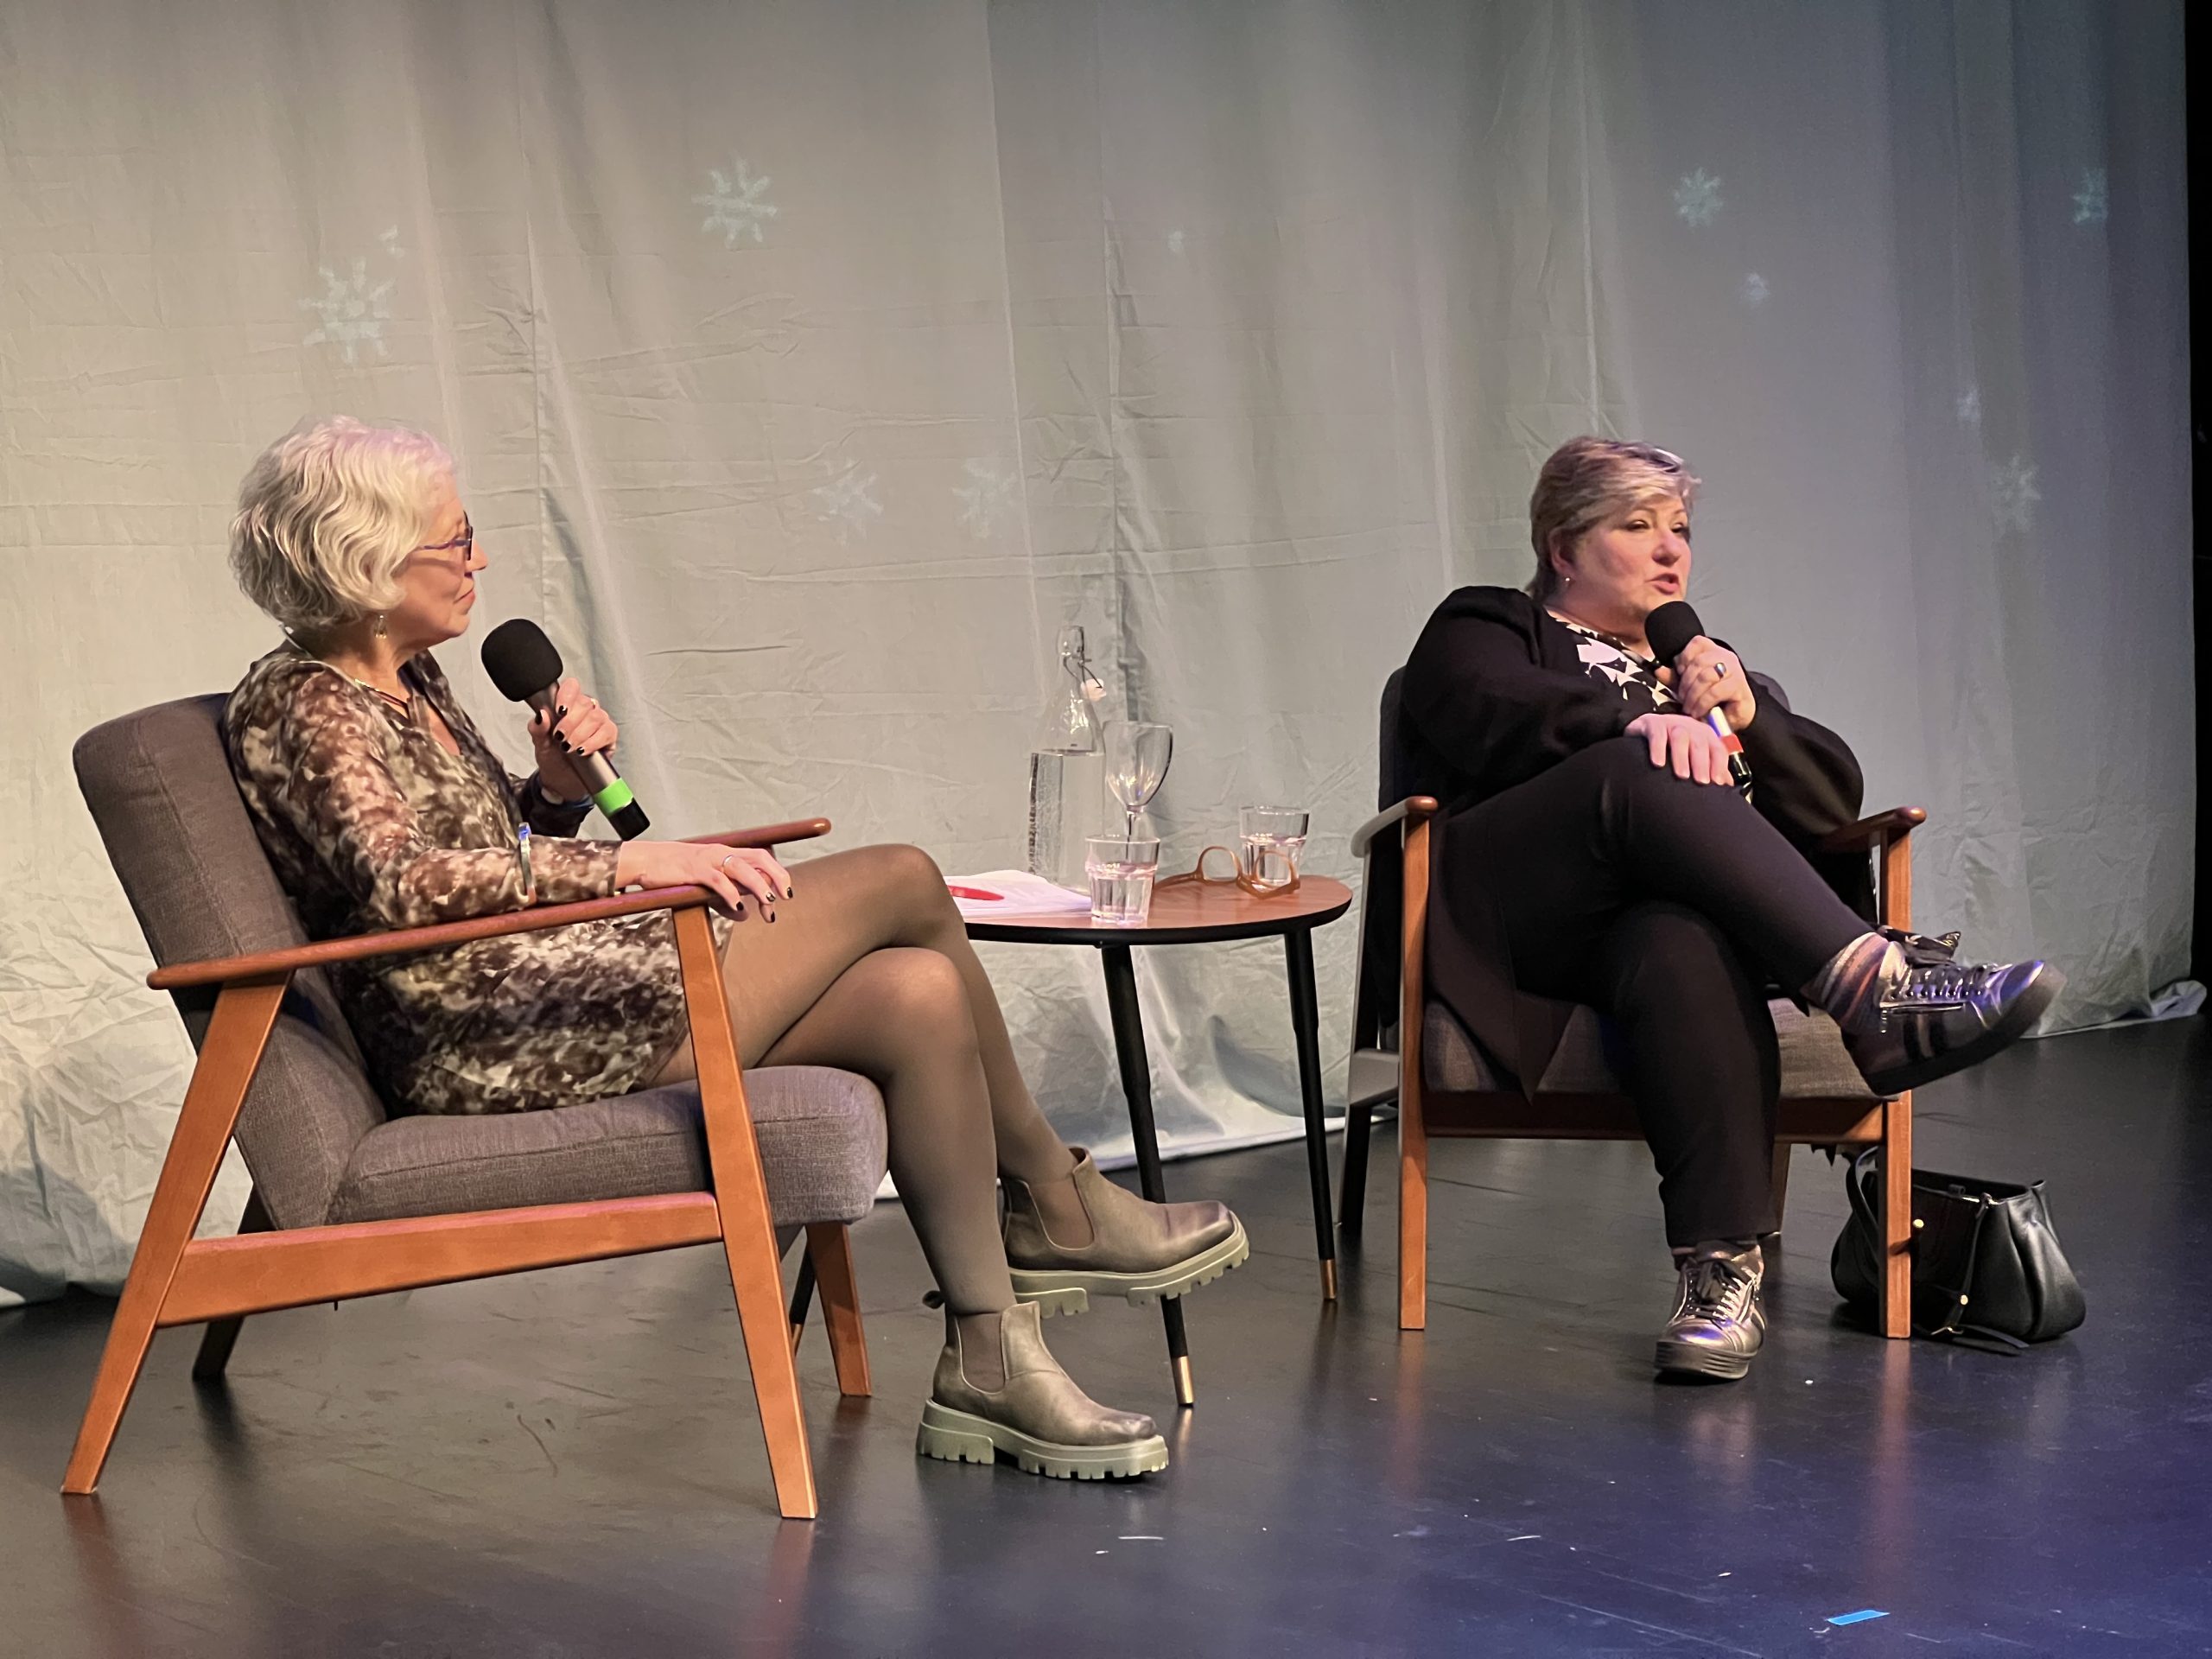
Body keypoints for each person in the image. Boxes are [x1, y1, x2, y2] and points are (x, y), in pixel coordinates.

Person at [220, 416, 1249, 1478]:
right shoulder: (308, 706)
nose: (477, 561)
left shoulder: (413, 683)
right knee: (900, 874)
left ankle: (987, 1362)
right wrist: (627, 867)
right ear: (368, 559)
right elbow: (402, 887)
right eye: (457, 541)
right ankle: (1052, 1197)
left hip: (551, 992)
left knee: (917, 990)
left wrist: (555, 798)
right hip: (495, 1046)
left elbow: (485, 856)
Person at [1398, 436, 2060, 1382]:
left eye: (1680, 530)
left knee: (1679, 943)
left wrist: (1752, 719)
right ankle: (1872, 984)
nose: (1672, 552)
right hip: (1521, 914)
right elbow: (1472, 703)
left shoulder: (1707, 671)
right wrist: (1634, 720)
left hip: (1639, 938)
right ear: (1561, 547)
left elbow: (1831, 806)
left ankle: (1719, 1273)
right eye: (1637, 527)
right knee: (1644, 763)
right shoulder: (1492, 626)